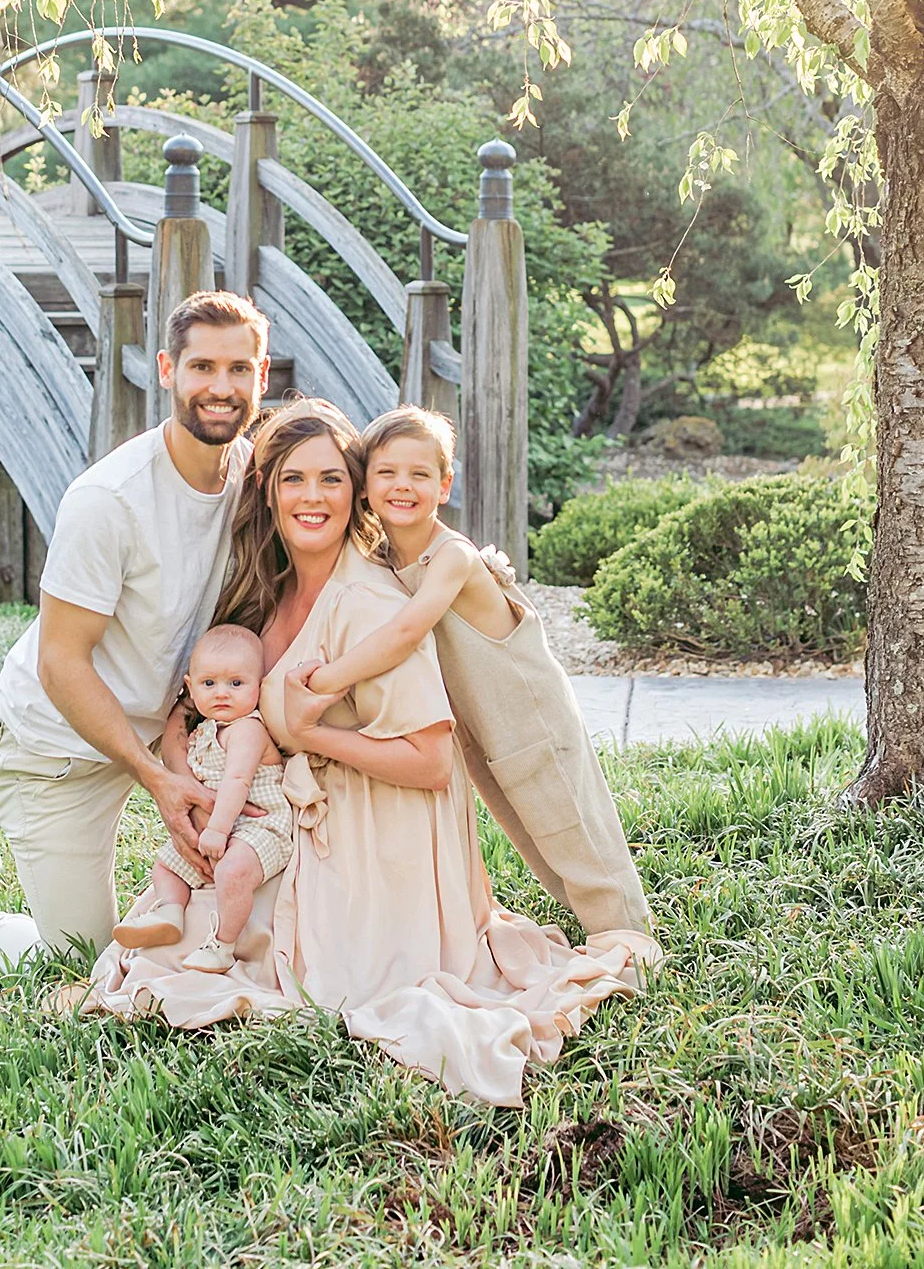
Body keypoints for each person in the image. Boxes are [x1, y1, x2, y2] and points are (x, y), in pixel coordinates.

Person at [78, 401, 659, 1106]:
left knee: (245, 964)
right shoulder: (265, 593)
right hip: (293, 817)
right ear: (268, 490)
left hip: (383, 838)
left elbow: (432, 763)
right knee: (167, 939)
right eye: (294, 479)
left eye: (331, 479)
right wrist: (184, 782)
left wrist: (314, 736)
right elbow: (196, 709)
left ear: (355, 491)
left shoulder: (369, 600)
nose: (313, 496)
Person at [0, 290, 268, 967]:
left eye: (239, 369)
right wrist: (155, 777)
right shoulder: (108, 499)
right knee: (83, 960)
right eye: (202, 367)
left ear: (262, 376)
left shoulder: (255, 478)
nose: (221, 387)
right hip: (55, 748)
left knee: (233, 923)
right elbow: (61, 662)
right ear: (167, 369)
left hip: (169, 731)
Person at [304, 405, 653, 939]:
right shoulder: (383, 558)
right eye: (387, 472)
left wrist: (326, 681)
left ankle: (628, 936)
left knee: (571, 827)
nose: (403, 485)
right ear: (365, 486)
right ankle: (594, 925)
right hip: (481, 727)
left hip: (530, 718)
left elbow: (406, 632)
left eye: (420, 474)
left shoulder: (453, 557)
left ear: (444, 486)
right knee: (529, 833)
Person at [114, 623, 291, 973]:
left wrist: (217, 831)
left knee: (233, 871)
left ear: (259, 685)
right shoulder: (204, 731)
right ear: (190, 688)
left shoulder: (248, 729)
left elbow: (238, 782)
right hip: (222, 825)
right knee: (166, 865)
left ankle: (222, 945)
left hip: (260, 825)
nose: (222, 693)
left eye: (236, 684)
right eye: (209, 684)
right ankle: (169, 912)